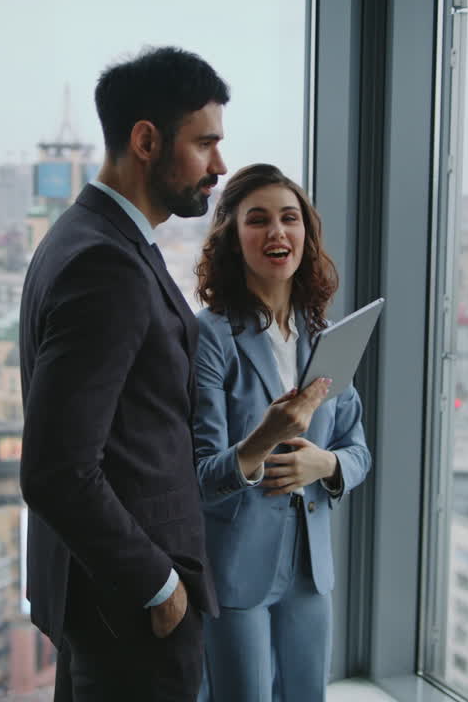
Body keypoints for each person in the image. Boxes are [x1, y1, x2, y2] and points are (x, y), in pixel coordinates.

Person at [18, 46, 229, 702]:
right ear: (145, 141)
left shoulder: (84, 237)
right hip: (132, 612)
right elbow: (56, 469)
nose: (219, 166)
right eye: (205, 144)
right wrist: (160, 588)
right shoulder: (104, 266)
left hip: (104, 601)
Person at [192, 163, 373, 700]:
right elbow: (201, 476)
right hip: (236, 569)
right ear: (232, 238)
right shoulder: (211, 337)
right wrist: (264, 438)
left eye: (289, 219)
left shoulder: (323, 334)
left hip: (309, 571)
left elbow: (358, 448)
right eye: (258, 220)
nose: (277, 232)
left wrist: (327, 464)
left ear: (306, 234)